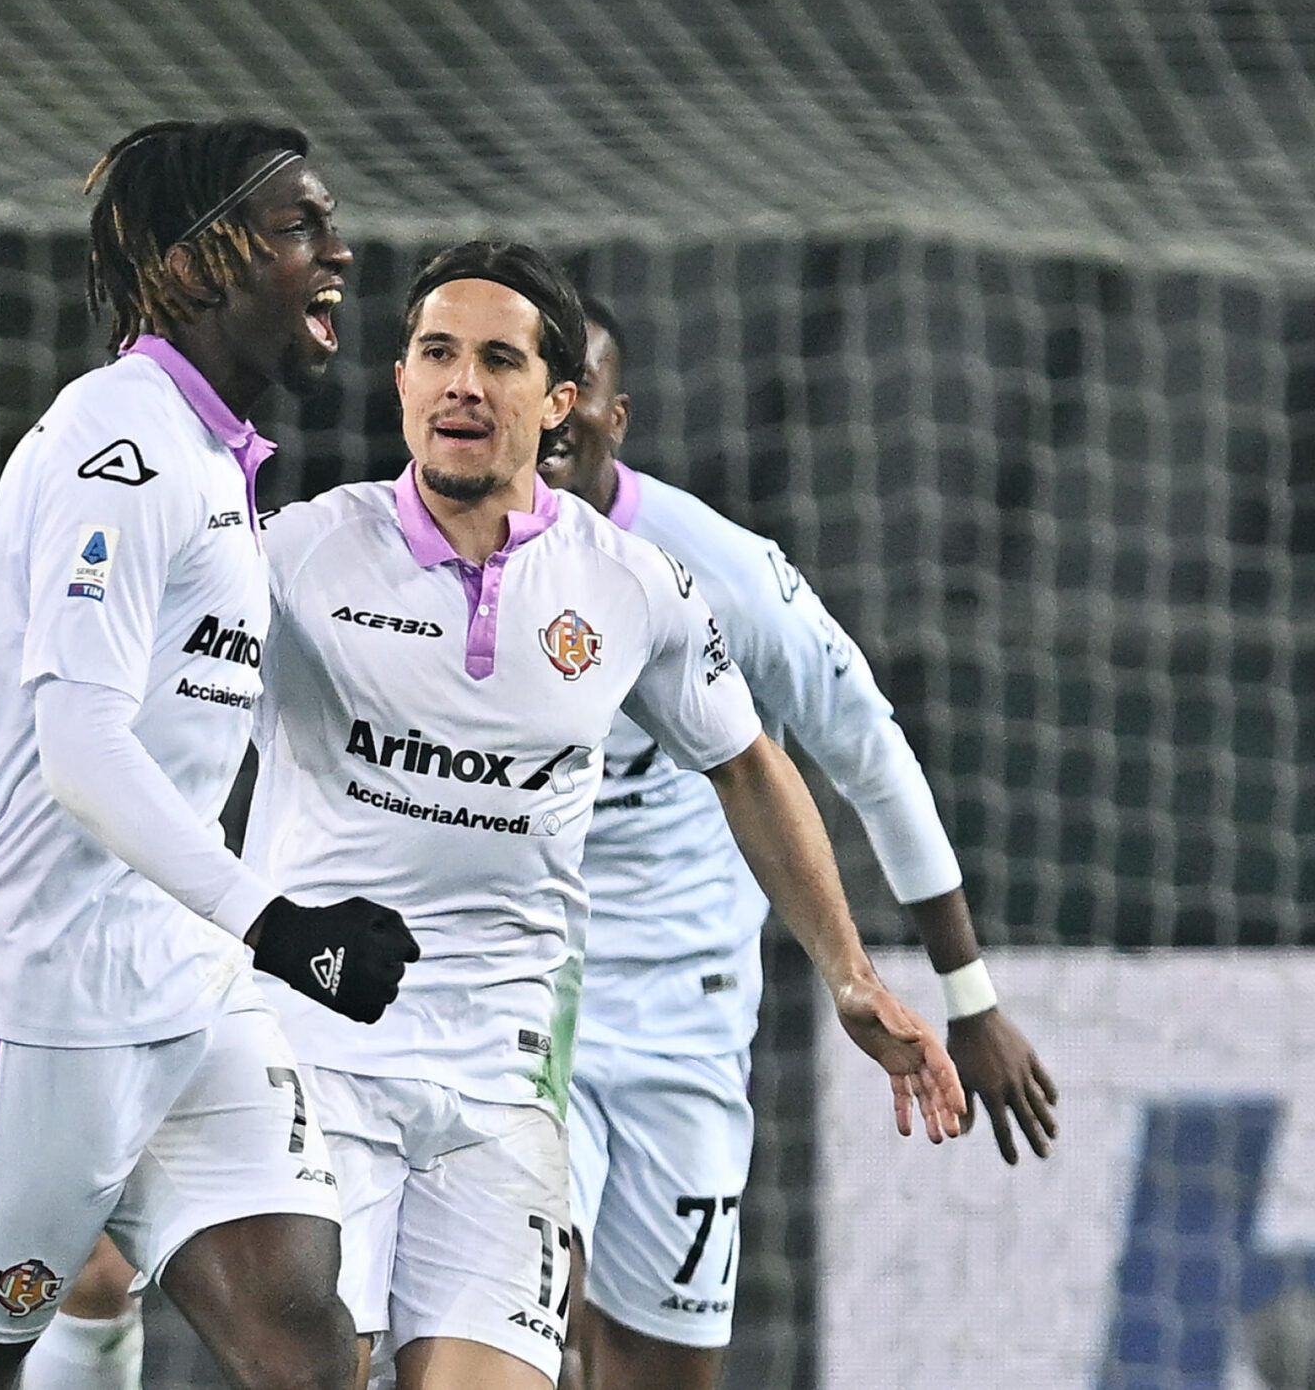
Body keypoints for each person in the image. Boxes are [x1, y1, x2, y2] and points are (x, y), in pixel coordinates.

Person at [243, 240, 969, 1390]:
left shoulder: (637, 583)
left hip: (507, 1081)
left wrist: (849, 972)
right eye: (437, 352)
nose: (463, 383)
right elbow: (145, 730)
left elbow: (752, 764)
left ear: (560, 399)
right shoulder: (295, 555)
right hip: (325, 1058)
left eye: (498, 360)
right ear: (400, 378)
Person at [0, 119, 417, 1390]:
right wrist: (279, 923)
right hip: (26, 992)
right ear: (198, 262)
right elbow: (80, 748)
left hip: (182, 980)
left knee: (308, 1352)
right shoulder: (123, 443)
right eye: (299, 227)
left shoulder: (210, 455)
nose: (338, 252)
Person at [544, 294, 1060, 1390]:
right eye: (528, 374)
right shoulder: (427, 567)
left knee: (658, 1369)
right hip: (519, 1002)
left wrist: (967, 996)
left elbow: (868, 751)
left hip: (685, 1020)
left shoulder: (719, 571)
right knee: (520, 1330)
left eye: (575, 384)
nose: (552, 407)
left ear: (613, 414)